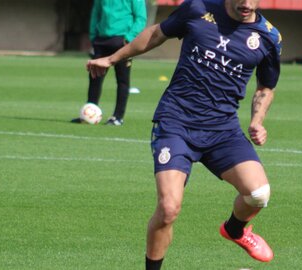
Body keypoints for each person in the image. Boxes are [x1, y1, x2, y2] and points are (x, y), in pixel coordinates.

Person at [87, 0, 281, 268]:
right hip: (176, 122)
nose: (246, 3)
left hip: (223, 129)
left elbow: (265, 87)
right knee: (168, 209)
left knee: (258, 194)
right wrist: (112, 58)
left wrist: (257, 120)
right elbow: (156, 33)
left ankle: (235, 230)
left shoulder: (269, 37)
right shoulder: (198, 9)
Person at [72, 0, 147, 126]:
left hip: (122, 41)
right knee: (94, 77)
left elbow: (141, 18)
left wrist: (128, 39)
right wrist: (93, 37)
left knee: (122, 80)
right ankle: (89, 113)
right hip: (101, 41)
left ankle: (117, 117)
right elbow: (96, 14)